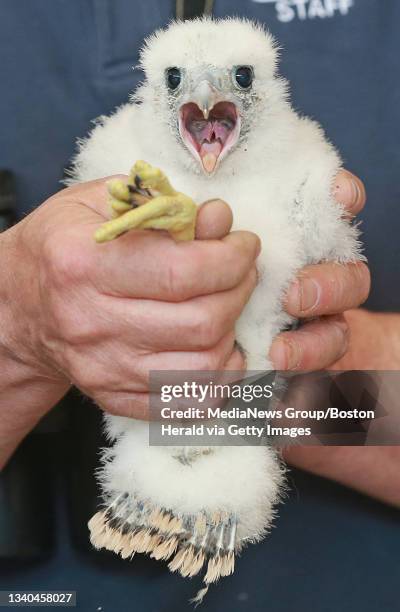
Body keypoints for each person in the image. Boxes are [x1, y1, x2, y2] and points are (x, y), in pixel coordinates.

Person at [0, 1, 399, 610]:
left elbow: (300, 348)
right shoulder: (120, 146)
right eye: (178, 83)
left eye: (238, 80)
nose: (208, 92)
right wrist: (18, 328)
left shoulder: (304, 159)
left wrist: (277, 385)